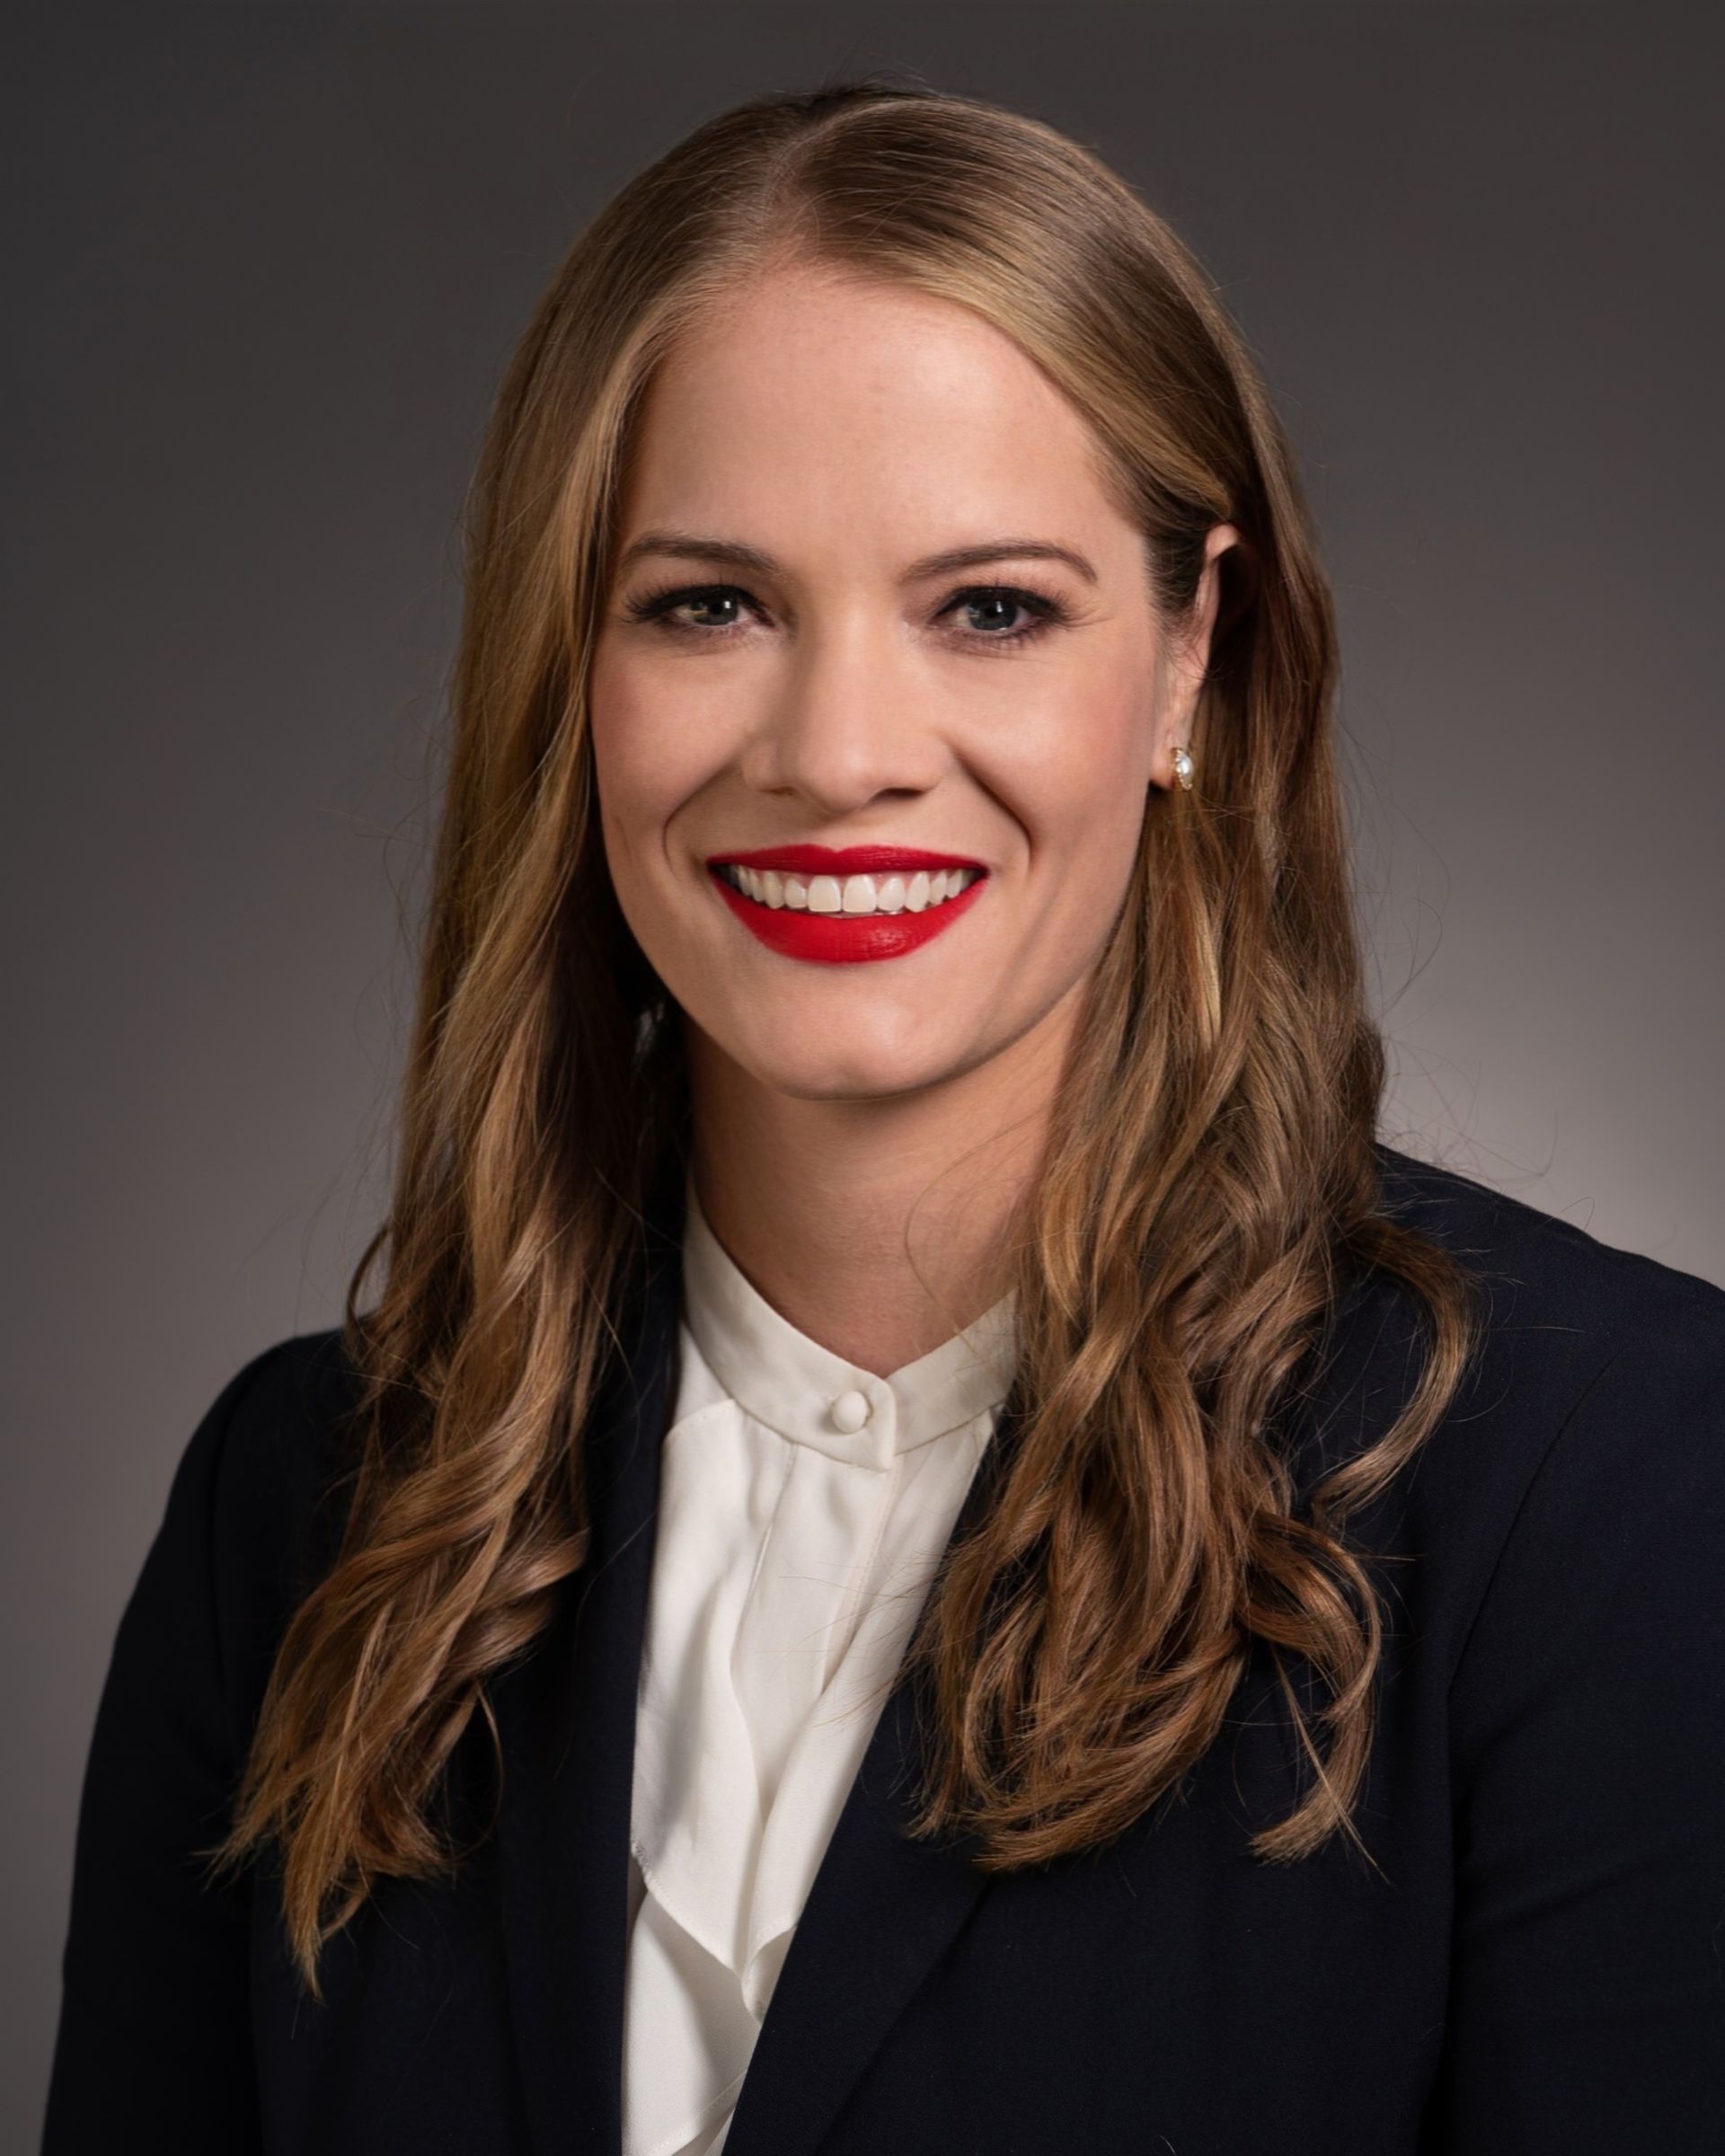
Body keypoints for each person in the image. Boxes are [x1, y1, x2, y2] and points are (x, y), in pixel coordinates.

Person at [41, 75, 1725, 2156]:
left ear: (1196, 654)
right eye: (708, 605)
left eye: (992, 609)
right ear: (567, 666)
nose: (841, 753)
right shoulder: (293, 1514)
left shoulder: (1622, 1486)